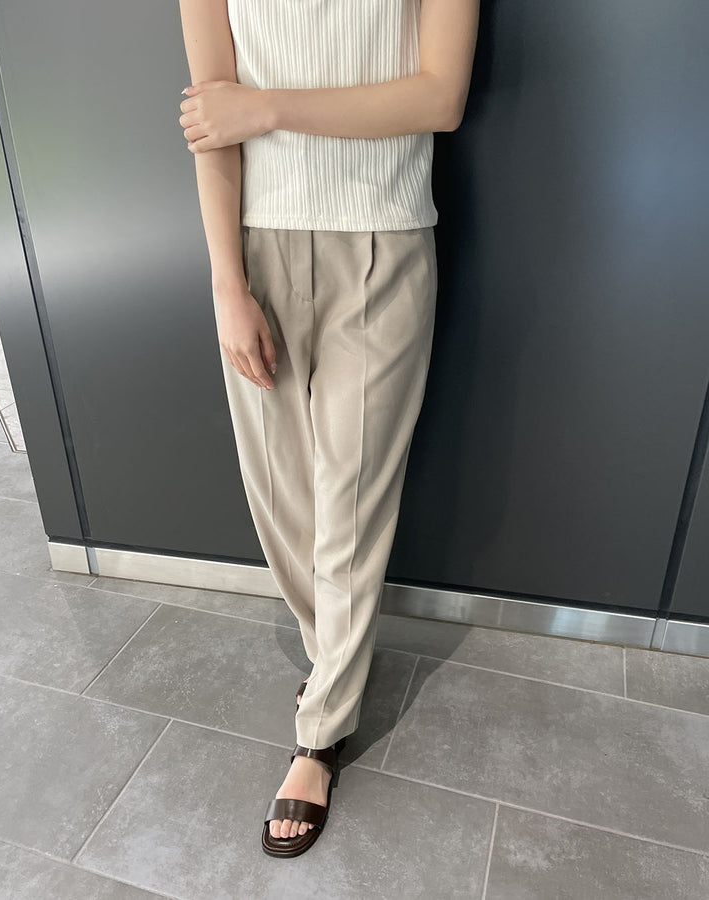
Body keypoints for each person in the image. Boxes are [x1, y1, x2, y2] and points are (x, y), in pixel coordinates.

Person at [177, 0, 479, 858]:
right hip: (256, 249)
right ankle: (336, 658)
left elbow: (440, 98)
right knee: (282, 499)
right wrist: (226, 285)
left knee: (350, 499)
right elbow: (211, 123)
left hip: (383, 237)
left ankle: (319, 738)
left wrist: (267, 106)